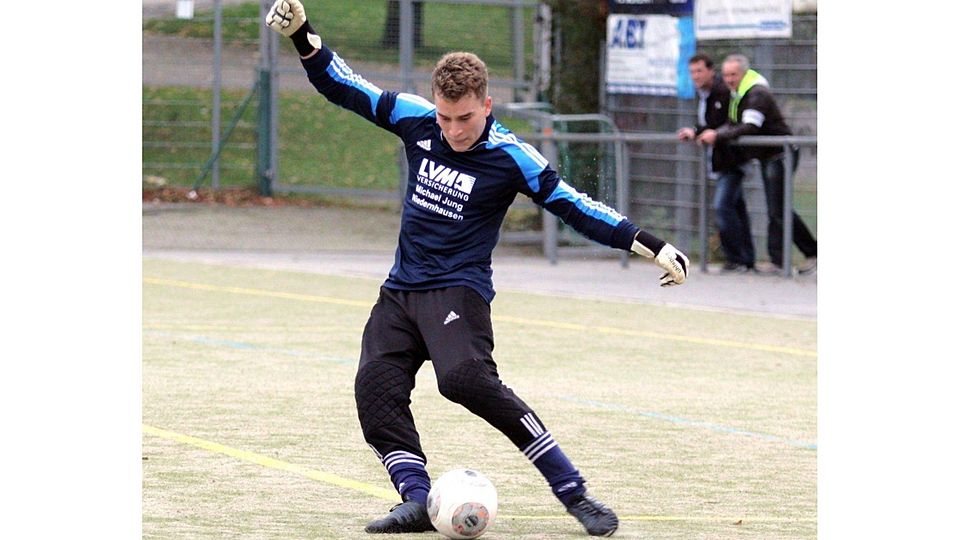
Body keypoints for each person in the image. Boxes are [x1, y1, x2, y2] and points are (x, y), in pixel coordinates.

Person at [266, 1, 689, 536]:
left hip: (457, 292)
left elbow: (577, 206)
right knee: (374, 388)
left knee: (464, 380)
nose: (453, 129)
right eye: (444, 117)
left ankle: (574, 491)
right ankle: (417, 500)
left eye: (464, 118)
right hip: (400, 291)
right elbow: (346, 86)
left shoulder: (512, 157)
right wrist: (304, 36)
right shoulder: (417, 120)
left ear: (486, 105)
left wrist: (647, 243)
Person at [697, 54, 817, 274]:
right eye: (726, 75)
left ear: (744, 73)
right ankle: (783, 260)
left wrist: (718, 136)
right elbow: (733, 123)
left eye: (733, 74)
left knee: (778, 210)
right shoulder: (739, 93)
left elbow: (750, 126)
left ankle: (809, 254)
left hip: (781, 155)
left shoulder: (756, 93)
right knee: (777, 209)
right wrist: (710, 132)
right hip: (768, 156)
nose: (729, 79)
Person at [677, 53, 755, 273]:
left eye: (700, 71)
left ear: (711, 71)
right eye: (692, 72)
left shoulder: (722, 92)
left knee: (723, 207)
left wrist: (712, 133)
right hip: (721, 161)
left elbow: (727, 124)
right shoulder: (704, 95)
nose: (696, 76)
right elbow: (709, 124)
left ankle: (737, 259)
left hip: (732, 160)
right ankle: (746, 260)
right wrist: (695, 131)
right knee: (737, 209)